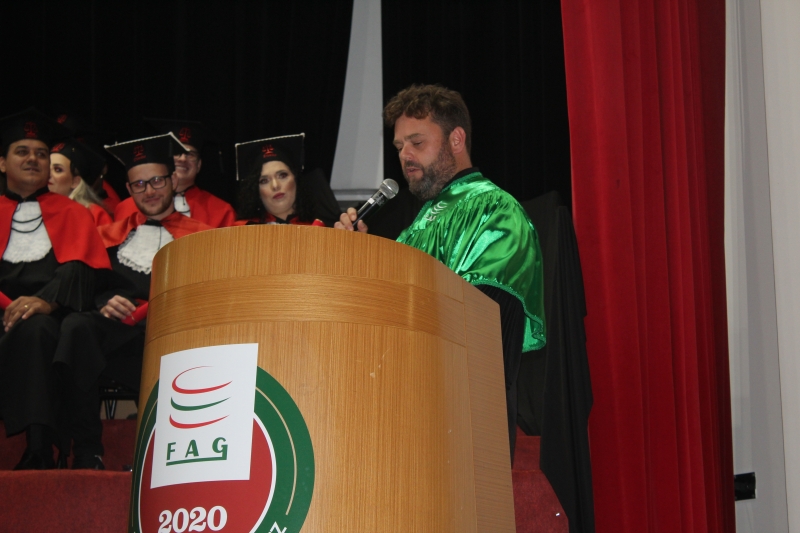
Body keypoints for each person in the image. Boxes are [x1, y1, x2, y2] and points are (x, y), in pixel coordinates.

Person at [336, 84, 546, 460]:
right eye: (399, 146)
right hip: (402, 416)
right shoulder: (415, 229)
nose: (405, 156)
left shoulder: (494, 209)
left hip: (459, 422)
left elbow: (481, 327)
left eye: (417, 142)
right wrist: (360, 261)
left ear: (456, 139)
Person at [54, 132, 213, 469]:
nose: (149, 191)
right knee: (76, 327)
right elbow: (89, 288)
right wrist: (103, 303)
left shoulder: (203, 239)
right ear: (128, 190)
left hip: (173, 338)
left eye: (156, 181)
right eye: (139, 185)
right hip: (120, 339)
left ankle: (162, 458)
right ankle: (87, 452)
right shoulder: (110, 237)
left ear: (173, 181)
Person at [0, 108, 111, 469]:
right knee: (31, 326)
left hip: (53, 315)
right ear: (2, 163)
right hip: (3, 315)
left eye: (41, 153)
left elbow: (81, 269)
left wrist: (44, 302)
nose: (33, 159)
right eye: (22, 151)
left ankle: (39, 448)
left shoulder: (72, 211)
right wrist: (12, 306)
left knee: (41, 330)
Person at [114, 119, 236, 228]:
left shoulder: (221, 211)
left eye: (190, 154)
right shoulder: (126, 207)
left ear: (199, 165)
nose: (182, 159)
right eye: (176, 153)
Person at [234, 134, 325, 226]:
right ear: (256, 192)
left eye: (282, 175)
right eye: (264, 181)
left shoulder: (316, 229)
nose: (275, 185)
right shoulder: (243, 230)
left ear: (296, 180)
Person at [49, 139, 113, 226]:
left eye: (58, 170)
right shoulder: (36, 208)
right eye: (47, 168)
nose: (48, 174)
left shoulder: (93, 215)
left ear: (75, 181)